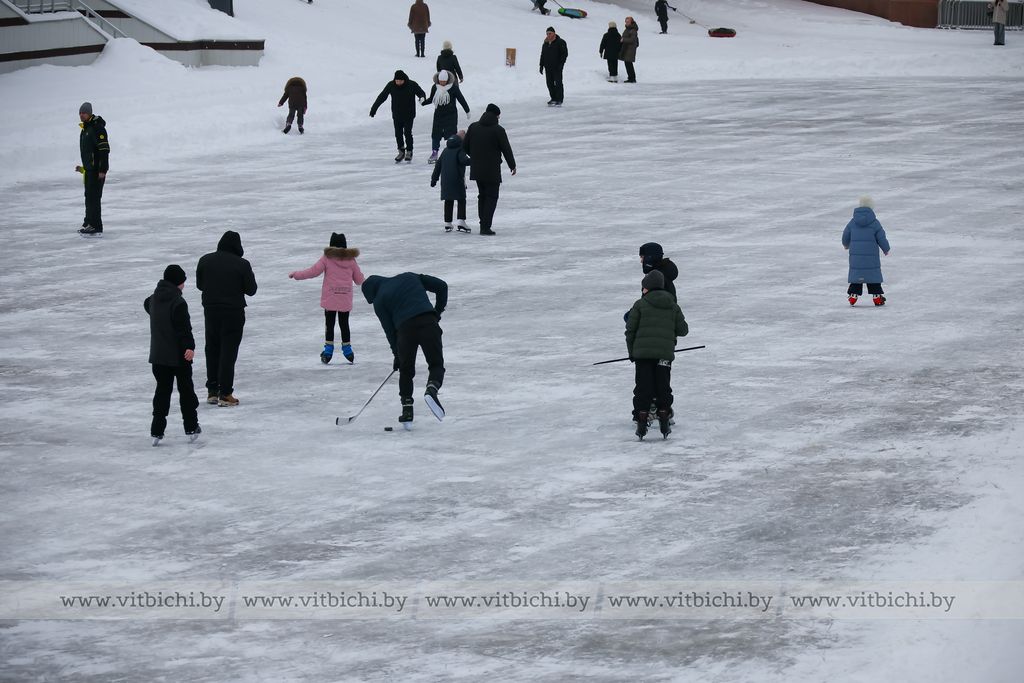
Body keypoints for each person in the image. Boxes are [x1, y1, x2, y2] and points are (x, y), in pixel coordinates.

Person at [361, 272, 448, 425]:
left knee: (406, 370)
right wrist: (437, 312)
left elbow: (389, 331)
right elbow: (442, 286)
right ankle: (432, 388)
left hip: (405, 331)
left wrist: (397, 356)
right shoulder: (410, 276)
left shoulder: (379, 300)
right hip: (428, 321)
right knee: (436, 364)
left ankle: (407, 409)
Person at [196, 230, 258, 406]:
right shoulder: (242, 264)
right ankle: (225, 393)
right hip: (233, 312)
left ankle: (212, 391)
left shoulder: (205, 260)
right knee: (228, 351)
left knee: (212, 348)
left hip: (211, 310)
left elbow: (200, 285)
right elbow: (251, 290)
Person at [625, 269, 688, 440]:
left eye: (644, 287)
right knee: (663, 386)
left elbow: (630, 331)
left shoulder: (639, 305)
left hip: (642, 355)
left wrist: (632, 353)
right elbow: (683, 330)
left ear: (648, 287)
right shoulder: (673, 305)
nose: (643, 290)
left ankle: (642, 419)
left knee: (643, 387)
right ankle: (664, 417)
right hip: (664, 355)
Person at [144, 265, 201, 446]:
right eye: (183, 282)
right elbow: (184, 329)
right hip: (179, 356)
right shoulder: (178, 302)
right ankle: (191, 427)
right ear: (178, 282)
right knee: (186, 392)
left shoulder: (152, 300)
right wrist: (190, 347)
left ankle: (156, 430)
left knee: (162, 392)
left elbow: (147, 305)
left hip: (158, 356)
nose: (184, 285)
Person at [289, 232, 365, 364]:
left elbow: (312, 272)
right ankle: (348, 351)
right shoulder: (351, 260)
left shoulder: (327, 258)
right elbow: (359, 280)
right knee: (344, 323)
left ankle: (328, 352)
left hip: (330, 298)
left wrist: (296, 275)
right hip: (345, 297)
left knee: (329, 324)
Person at [463, 103, 517, 236]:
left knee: (482, 195)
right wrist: (512, 165)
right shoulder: (498, 130)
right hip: (492, 170)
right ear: (496, 116)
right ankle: (485, 227)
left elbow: (465, 147)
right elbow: (506, 149)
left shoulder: (473, 127)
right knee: (492, 196)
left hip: (477, 169)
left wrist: (475, 157)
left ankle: (483, 223)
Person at [842, 196, 891, 306]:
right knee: (873, 276)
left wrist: (846, 244)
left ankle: (853, 295)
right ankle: (877, 297)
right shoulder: (875, 223)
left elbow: (845, 235)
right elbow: (881, 237)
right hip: (871, 258)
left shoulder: (852, 222)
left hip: (856, 258)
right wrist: (886, 249)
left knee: (857, 275)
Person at [370, 70, 427, 162]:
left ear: (404, 79)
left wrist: (422, 98)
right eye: (397, 81)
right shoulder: (391, 85)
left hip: (409, 114)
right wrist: (374, 108)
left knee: (407, 132)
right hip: (397, 114)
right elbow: (382, 96)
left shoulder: (412, 84)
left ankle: (409, 151)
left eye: (400, 81)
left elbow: (421, 92)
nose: (398, 82)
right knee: (398, 133)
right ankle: (401, 151)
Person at [422, 70, 470, 164]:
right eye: (441, 81)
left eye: (444, 81)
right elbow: (431, 99)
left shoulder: (453, 88)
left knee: (451, 134)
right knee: (436, 134)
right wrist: (423, 102)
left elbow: (461, 99)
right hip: (438, 115)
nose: (442, 83)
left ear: (447, 80)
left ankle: (453, 152)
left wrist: (467, 110)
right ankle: (434, 153)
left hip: (451, 115)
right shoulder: (435, 87)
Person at [76, 102, 109, 237]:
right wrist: (84, 168)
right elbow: (89, 152)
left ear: (89, 113)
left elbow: (104, 150)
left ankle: (96, 225)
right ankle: (88, 223)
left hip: (97, 171)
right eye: (80, 113)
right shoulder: (85, 129)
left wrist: (102, 170)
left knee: (94, 198)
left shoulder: (97, 128)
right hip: (90, 170)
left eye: (84, 113)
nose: (81, 115)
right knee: (89, 197)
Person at [430, 130, 470, 233]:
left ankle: (448, 223)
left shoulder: (445, 150)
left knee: (448, 200)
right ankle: (461, 221)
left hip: (446, 180)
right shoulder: (460, 149)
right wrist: (475, 160)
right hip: (457, 179)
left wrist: (434, 179)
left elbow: (438, 166)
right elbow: (464, 160)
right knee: (461, 199)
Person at [539, 26, 568, 106]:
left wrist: (561, 64)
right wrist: (541, 65)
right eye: (547, 34)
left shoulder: (560, 42)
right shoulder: (545, 43)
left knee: (558, 83)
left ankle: (559, 99)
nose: (548, 35)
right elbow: (543, 55)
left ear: (554, 33)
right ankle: (553, 98)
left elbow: (564, 54)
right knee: (549, 83)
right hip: (548, 67)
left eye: (550, 33)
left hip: (557, 67)